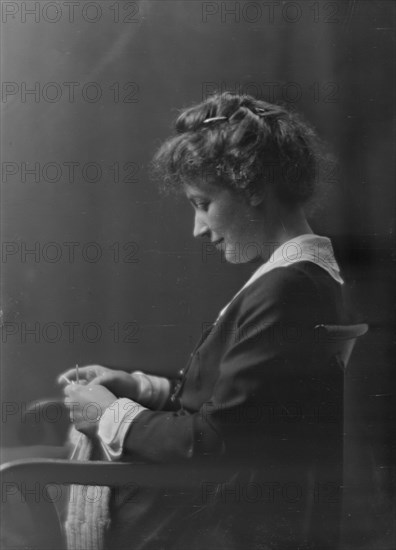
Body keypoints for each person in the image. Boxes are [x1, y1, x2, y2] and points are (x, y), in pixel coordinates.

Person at [59, 92, 352, 550]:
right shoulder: (301, 279)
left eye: (202, 203)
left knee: (21, 489)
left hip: (217, 526)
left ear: (254, 186)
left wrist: (106, 415)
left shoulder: (286, 290)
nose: (197, 228)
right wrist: (141, 389)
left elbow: (216, 441)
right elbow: (241, 403)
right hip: (226, 511)